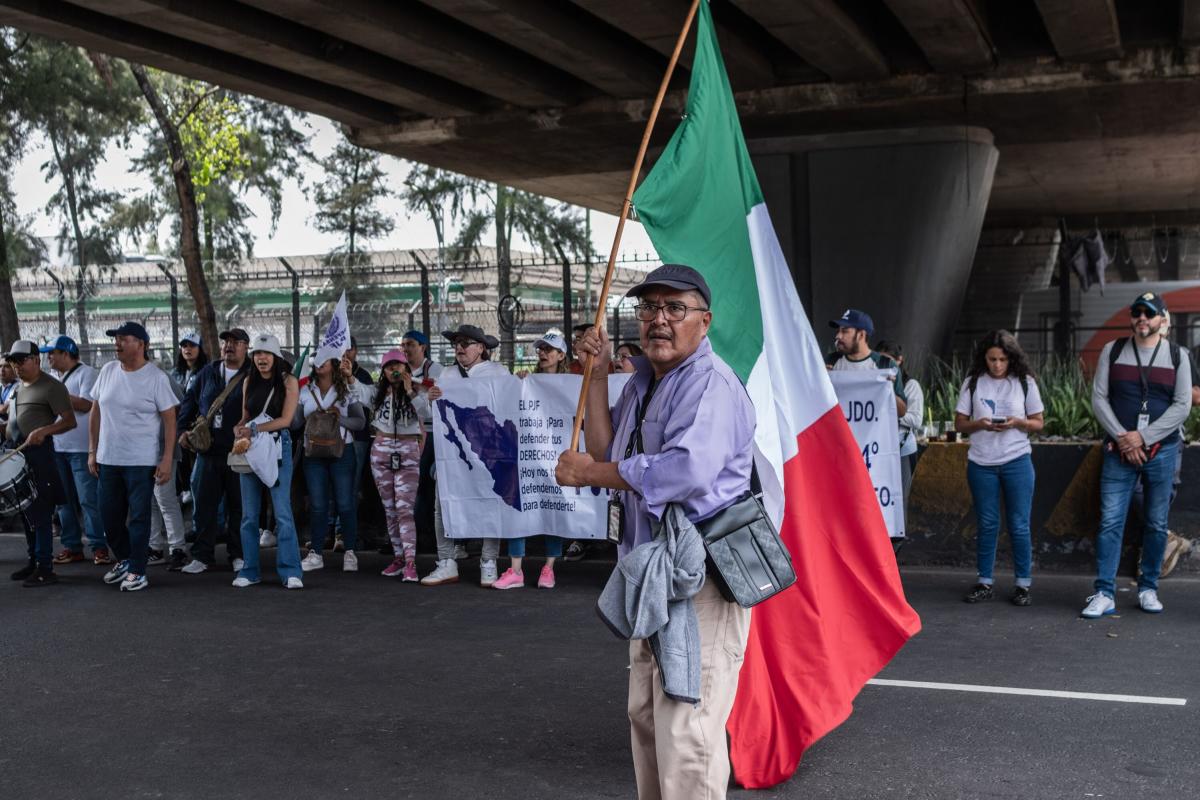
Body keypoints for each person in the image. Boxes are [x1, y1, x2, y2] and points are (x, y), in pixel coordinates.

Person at [556, 264, 754, 798]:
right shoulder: (647, 380)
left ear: (704, 321)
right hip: (654, 572)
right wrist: (595, 376)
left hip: (703, 577)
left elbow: (682, 471)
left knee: (687, 728)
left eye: (674, 309)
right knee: (646, 717)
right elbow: (606, 450)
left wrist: (587, 475)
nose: (658, 320)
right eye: (648, 308)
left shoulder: (710, 384)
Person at [1083, 292, 1192, 618]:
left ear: (1162, 319)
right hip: (1119, 451)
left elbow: (1182, 405)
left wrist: (1141, 438)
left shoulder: (1177, 355)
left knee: (1157, 524)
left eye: (1149, 313)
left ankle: (1148, 588)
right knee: (1110, 522)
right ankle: (1104, 592)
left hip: (1162, 451)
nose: (1142, 318)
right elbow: (1099, 399)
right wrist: (1124, 438)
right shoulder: (1112, 351)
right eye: (1137, 312)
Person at [953, 331, 1044, 606]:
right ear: (984, 358)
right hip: (982, 462)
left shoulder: (1024, 383)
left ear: (1011, 358)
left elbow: (1038, 422)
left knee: (1019, 525)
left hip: (1017, 460)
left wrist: (1018, 423)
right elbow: (959, 423)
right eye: (992, 359)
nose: (997, 365)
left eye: (1003, 359)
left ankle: (1023, 584)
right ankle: (984, 581)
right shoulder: (972, 383)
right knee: (988, 523)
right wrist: (979, 425)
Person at [88, 322, 179, 592]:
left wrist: (166, 459)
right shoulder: (107, 371)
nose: (117, 343)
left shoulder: (156, 378)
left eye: (123, 339)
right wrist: (92, 450)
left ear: (141, 344)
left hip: (141, 461)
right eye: (115, 339)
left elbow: (170, 419)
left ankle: (138, 569)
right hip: (108, 459)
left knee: (139, 517)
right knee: (109, 517)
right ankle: (126, 559)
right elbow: (96, 411)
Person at [421, 323, 506, 587]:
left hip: (487, 451)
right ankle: (446, 561)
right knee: (442, 504)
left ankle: (488, 561)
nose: (459, 348)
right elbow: (432, 412)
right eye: (456, 343)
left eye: (465, 343)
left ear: (481, 348)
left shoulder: (499, 373)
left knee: (491, 504)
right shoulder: (447, 374)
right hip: (453, 452)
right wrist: (431, 398)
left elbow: (509, 406)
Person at [497, 332, 570, 590]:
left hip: (554, 454)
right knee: (518, 503)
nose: (543, 353)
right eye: (540, 348)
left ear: (561, 355)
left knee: (554, 505)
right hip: (527, 454)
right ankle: (515, 569)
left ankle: (548, 568)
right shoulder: (526, 380)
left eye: (549, 349)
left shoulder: (570, 383)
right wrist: (517, 384)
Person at [231, 334, 303, 589]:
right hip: (250, 446)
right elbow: (245, 416)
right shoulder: (248, 381)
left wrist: (254, 429)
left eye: (267, 354)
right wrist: (239, 429)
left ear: (276, 357)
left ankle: (291, 570)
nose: (261, 358)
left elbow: (286, 421)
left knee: (282, 512)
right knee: (249, 515)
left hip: (277, 445)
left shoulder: (289, 381)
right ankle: (250, 569)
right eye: (258, 354)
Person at [178, 328, 252, 574]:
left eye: (236, 342)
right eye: (226, 341)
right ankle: (202, 556)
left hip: (239, 451)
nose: (229, 346)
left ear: (246, 347)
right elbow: (189, 401)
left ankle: (238, 555)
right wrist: (181, 430)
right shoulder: (207, 373)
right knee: (204, 506)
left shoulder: (253, 374)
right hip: (207, 451)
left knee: (238, 506)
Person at [4, 340, 76, 587]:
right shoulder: (16, 387)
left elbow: (69, 421)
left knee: (41, 512)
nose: (16, 366)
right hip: (17, 453)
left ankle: (45, 567)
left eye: (21, 361)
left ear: (36, 359)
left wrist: (45, 430)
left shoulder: (52, 386)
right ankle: (33, 560)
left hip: (39, 455)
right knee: (25, 512)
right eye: (13, 362)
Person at [41, 335, 110, 565]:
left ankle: (99, 546)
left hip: (81, 448)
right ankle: (72, 546)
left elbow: (87, 404)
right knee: (63, 501)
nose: (48, 357)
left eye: (52, 352)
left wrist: (57, 397)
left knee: (88, 499)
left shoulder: (87, 373)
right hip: (58, 447)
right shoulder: (51, 377)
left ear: (66, 353)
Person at [298, 354, 366, 572]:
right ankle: (316, 552)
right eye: (316, 360)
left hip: (342, 451)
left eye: (324, 360)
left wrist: (337, 418)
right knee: (317, 505)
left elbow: (360, 422)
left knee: (345, 503)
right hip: (313, 454)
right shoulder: (305, 390)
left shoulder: (347, 390)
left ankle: (350, 552)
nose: (319, 364)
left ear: (334, 364)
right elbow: (295, 422)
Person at [369, 349, 426, 580]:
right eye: (389, 366)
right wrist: (349, 377)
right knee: (390, 509)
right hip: (380, 452)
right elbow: (357, 392)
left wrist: (411, 391)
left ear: (406, 368)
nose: (394, 370)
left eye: (399, 365)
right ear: (383, 371)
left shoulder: (418, 390)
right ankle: (399, 558)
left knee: (405, 509)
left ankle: (411, 562)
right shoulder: (377, 392)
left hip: (407, 452)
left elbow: (426, 412)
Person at [331, 336, 374, 553]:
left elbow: (365, 407)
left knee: (350, 488)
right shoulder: (328, 372)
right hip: (330, 439)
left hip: (356, 439)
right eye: (340, 349)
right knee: (330, 486)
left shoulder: (363, 376)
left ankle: (344, 534)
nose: (345, 354)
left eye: (349, 349)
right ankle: (328, 532)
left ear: (355, 351)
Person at [401, 330, 443, 558]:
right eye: (403, 345)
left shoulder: (436, 371)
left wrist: (415, 392)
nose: (406, 349)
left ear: (423, 347)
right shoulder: (402, 370)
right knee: (411, 487)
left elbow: (435, 404)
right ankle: (412, 537)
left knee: (426, 486)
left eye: (410, 344)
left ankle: (428, 538)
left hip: (431, 432)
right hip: (409, 433)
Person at [876, 341, 925, 506]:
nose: (885, 365)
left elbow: (916, 420)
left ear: (899, 360)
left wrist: (891, 414)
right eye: (880, 360)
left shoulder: (910, 385)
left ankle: (900, 532)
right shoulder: (873, 383)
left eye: (889, 360)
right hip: (879, 448)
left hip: (902, 448)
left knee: (900, 498)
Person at [147, 372, 188, 570]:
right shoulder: (120, 374)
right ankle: (155, 547)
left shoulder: (161, 377)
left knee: (165, 498)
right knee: (150, 500)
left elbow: (179, 406)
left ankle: (177, 548)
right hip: (140, 450)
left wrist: (168, 450)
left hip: (163, 447)